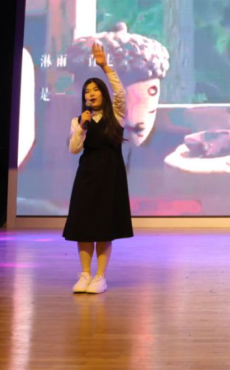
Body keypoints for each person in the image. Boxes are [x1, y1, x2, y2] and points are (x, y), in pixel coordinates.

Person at [64, 43, 133, 294]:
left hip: (110, 176)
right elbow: (74, 149)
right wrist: (82, 127)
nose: (90, 94)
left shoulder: (117, 115)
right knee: (84, 225)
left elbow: (121, 94)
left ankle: (100, 277)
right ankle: (85, 274)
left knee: (104, 227)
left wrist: (105, 66)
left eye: (95, 90)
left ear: (103, 93)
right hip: (87, 175)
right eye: (87, 91)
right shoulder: (78, 120)